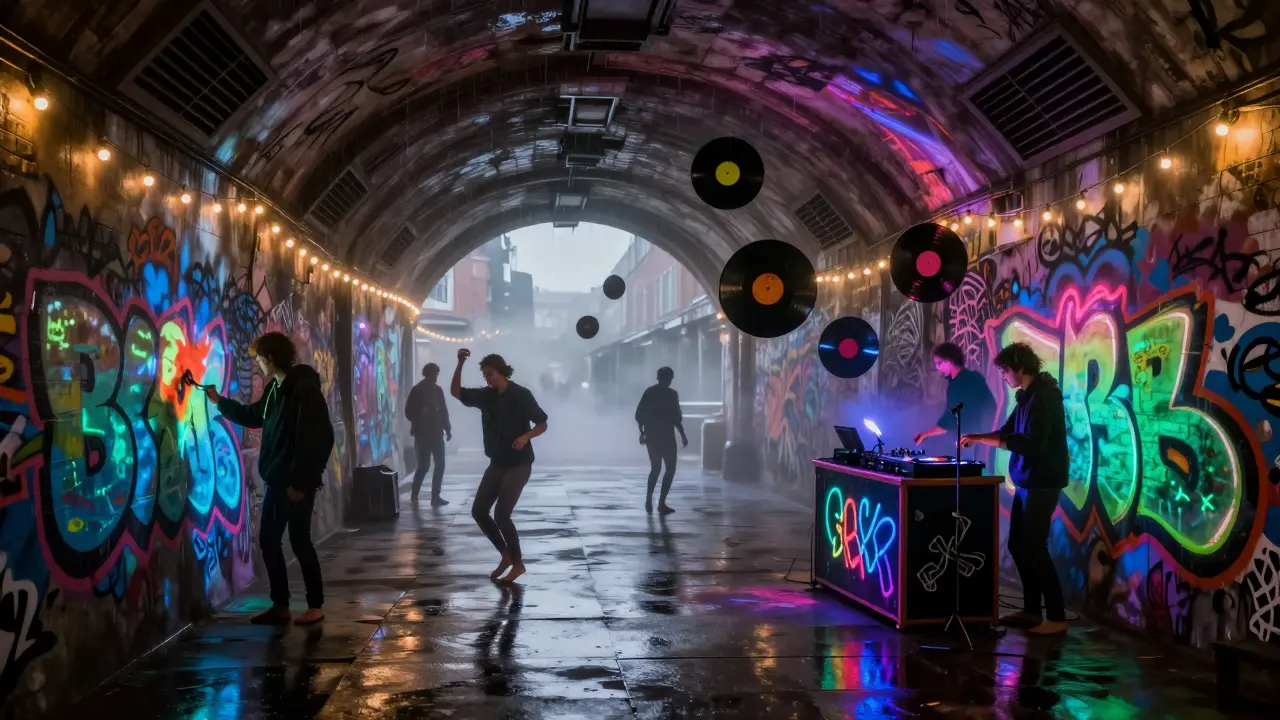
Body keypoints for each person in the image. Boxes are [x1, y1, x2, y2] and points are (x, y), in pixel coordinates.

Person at [208, 332, 334, 626]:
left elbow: (319, 438)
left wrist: (301, 483)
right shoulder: (274, 390)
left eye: (260, 359)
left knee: (299, 540)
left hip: (294, 483)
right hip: (278, 481)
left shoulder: (303, 390)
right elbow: (254, 416)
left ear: (272, 358)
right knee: (269, 540)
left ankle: (314, 605)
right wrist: (220, 401)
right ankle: (281, 605)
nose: (258, 365)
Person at [960, 342, 1069, 635]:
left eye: (1005, 370)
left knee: (1034, 547)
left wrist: (984, 439)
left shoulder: (1044, 396)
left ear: (1020, 368)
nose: (1004, 377)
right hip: (1028, 481)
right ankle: (1032, 610)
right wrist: (980, 436)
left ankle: (1056, 617)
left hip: (1042, 481)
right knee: (1018, 546)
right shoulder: (1027, 396)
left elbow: (1033, 443)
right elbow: (1008, 431)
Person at [451, 348, 548, 583]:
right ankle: (505, 555)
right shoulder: (487, 396)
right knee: (479, 511)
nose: (487, 378)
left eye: (490, 374)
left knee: (502, 514)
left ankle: (518, 563)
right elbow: (456, 392)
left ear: (502, 372)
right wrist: (460, 363)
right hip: (496, 462)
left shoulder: (521, 394)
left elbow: (542, 423)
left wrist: (526, 437)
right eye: (484, 375)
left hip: (519, 464)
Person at [913, 342, 996, 457]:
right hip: (979, 443)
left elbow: (949, 419)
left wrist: (925, 434)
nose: (937, 368)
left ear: (949, 361)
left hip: (971, 444)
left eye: (939, 363)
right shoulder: (974, 377)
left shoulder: (958, 385)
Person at [635, 366, 687, 514]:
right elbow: (676, 418)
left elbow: (640, 415)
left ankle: (649, 500)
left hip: (652, 435)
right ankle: (661, 503)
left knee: (655, 468)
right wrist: (682, 435)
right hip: (667, 436)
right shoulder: (672, 395)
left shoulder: (649, 392)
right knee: (670, 469)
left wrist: (642, 433)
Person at [405, 362, 452, 506]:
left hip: (437, 433)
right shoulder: (417, 390)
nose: (435, 378)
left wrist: (447, 428)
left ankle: (435, 496)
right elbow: (408, 412)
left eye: (436, 375)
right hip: (422, 434)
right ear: (427, 375)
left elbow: (443, 411)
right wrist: (420, 414)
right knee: (423, 466)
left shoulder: (437, 391)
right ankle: (414, 494)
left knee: (440, 465)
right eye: (434, 375)